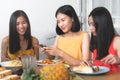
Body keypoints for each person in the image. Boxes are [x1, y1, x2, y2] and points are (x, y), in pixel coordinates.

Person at [88, 7, 120, 72]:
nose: (90, 28)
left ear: (103, 24)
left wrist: (119, 61)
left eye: (93, 24)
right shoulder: (95, 40)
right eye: (89, 24)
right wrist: (88, 63)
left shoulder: (117, 41)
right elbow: (95, 65)